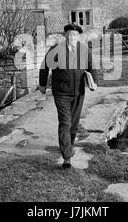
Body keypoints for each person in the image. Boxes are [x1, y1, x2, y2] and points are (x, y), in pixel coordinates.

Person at [39, 24, 98, 169]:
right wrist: (42, 84)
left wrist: (94, 82)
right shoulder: (56, 50)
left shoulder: (84, 50)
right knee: (65, 122)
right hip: (61, 92)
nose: (72, 37)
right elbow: (44, 66)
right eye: (69, 35)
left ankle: (69, 146)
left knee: (74, 125)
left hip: (78, 92)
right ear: (65, 36)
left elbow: (92, 67)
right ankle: (67, 157)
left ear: (79, 37)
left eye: (75, 35)